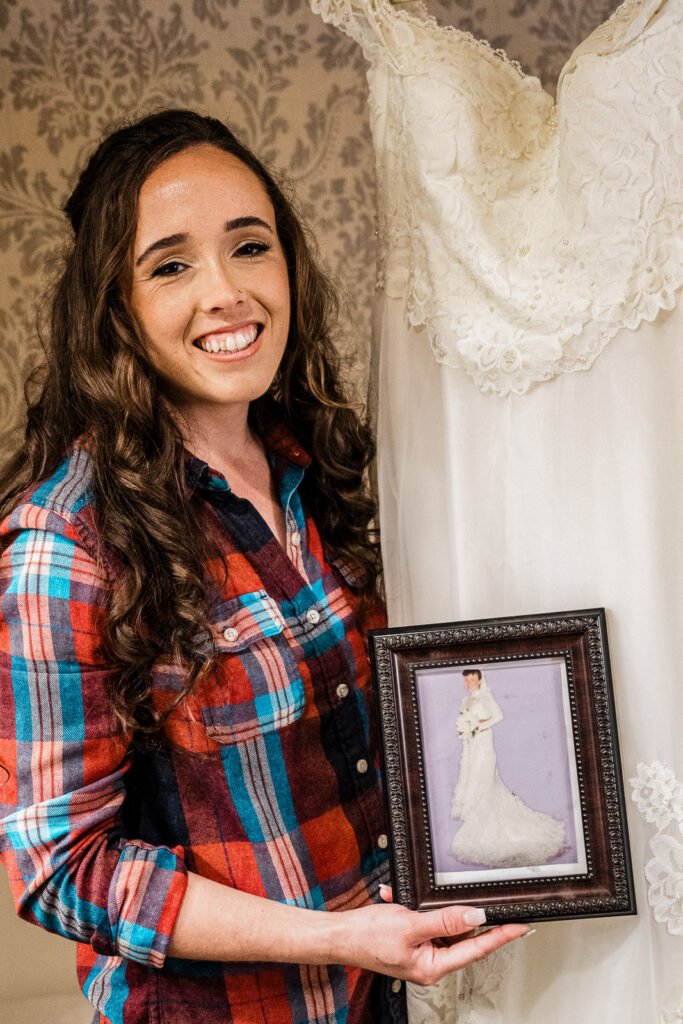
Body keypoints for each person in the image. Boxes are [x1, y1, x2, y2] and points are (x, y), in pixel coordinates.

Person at [0, 110, 530, 1024]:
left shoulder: (312, 466)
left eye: (250, 247)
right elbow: (62, 871)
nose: (226, 292)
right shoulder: (67, 546)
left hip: (387, 995)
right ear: (112, 307)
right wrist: (336, 937)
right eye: (170, 264)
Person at [450, 670, 566, 868]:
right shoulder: (465, 701)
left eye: (472, 679)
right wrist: (466, 729)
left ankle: (491, 826)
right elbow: (464, 723)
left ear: (479, 680)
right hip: (472, 747)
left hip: (485, 747)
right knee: (473, 780)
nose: (469, 683)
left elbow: (498, 716)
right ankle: (480, 821)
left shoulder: (486, 697)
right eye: (466, 680)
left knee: (485, 781)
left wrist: (479, 725)